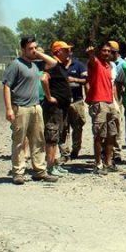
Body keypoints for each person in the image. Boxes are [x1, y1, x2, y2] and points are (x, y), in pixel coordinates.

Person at [2, 36, 60, 184]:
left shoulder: (36, 65)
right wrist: (9, 108)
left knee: (38, 140)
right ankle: (18, 172)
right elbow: (6, 86)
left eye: (35, 47)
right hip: (20, 108)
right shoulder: (16, 64)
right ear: (22, 49)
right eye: (30, 49)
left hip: (36, 107)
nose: (33, 51)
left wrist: (38, 54)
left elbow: (53, 63)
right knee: (19, 141)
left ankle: (40, 171)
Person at [85, 41, 121, 173]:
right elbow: (92, 60)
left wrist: (116, 102)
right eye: (104, 50)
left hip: (110, 102)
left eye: (109, 51)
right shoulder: (95, 63)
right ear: (99, 51)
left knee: (112, 134)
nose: (106, 53)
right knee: (99, 135)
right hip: (98, 102)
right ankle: (98, 164)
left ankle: (108, 162)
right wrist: (91, 54)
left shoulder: (108, 66)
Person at [41, 41, 74, 177]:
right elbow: (43, 79)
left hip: (61, 108)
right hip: (54, 109)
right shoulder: (52, 65)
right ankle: (49, 167)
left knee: (57, 136)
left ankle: (55, 164)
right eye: (66, 50)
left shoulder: (60, 66)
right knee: (52, 136)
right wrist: (49, 97)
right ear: (58, 51)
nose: (69, 53)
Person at [61, 45, 88, 163]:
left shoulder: (78, 65)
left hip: (77, 101)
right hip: (62, 102)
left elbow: (87, 80)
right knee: (62, 128)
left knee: (77, 127)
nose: (68, 52)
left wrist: (75, 80)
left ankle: (75, 150)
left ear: (71, 52)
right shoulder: (57, 66)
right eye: (65, 50)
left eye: (69, 50)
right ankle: (64, 153)